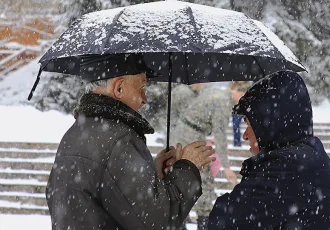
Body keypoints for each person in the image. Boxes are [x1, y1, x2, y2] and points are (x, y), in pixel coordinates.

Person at [45, 54, 216, 230]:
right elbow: (158, 220)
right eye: (141, 88)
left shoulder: (78, 132)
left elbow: (103, 195)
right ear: (119, 88)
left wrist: (150, 174)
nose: (144, 99)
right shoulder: (118, 140)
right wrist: (188, 168)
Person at [208, 70, 330, 229]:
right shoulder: (307, 154)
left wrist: (190, 176)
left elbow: (224, 222)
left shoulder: (288, 166)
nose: (245, 135)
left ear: (268, 123)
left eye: (248, 123)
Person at [171, 82, 240, 230]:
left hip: (186, 135)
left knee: (187, 180)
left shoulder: (217, 92)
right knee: (205, 182)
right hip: (190, 137)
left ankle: (183, 220)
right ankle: (201, 223)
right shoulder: (223, 102)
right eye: (243, 94)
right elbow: (220, 135)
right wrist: (226, 167)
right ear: (236, 90)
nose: (243, 99)